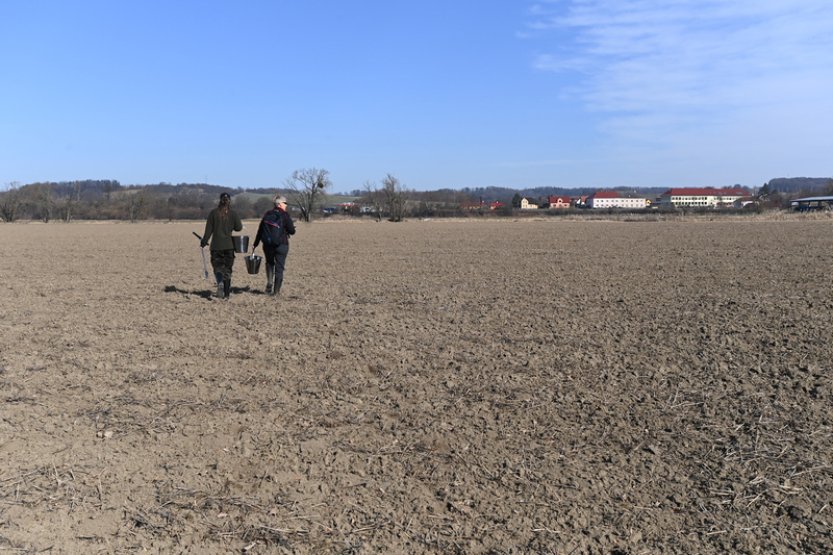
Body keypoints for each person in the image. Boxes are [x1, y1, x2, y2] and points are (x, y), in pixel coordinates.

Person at [201, 192, 243, 299]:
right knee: (227, 270)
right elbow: (239, 228)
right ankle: (227, 294)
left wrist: (204, 241)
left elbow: (208, 231)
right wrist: (231, 225)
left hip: (216, 247)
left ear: (220, 200)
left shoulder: (213, 213)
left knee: (218, 268)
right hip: (229, 247)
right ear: (229, 201)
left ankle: (220, 283)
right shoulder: (233, 214)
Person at [253, 194, 296, 295]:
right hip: (282, 244)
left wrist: (255, 243)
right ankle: (276, 292)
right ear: (280, 204)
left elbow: (260, 230)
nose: (286, 205)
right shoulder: (285, 215)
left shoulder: (267, 214)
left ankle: (269, 281)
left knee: (269, 263)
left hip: (267, 245)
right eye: (285, 203)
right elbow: (292, 231)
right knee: (279, 267)